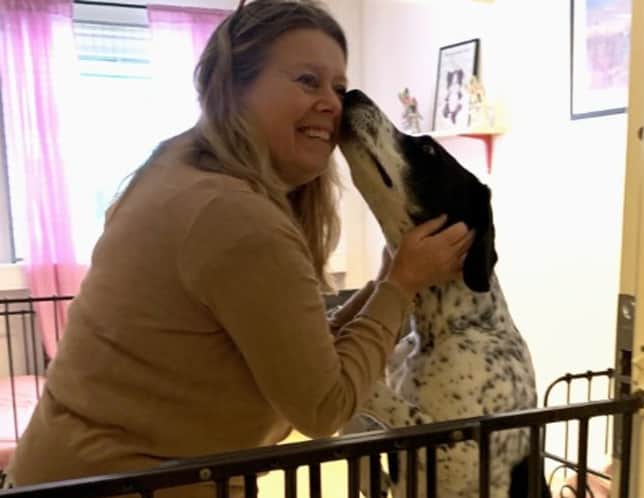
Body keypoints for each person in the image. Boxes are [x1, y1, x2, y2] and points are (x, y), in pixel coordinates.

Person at [6, 0, 474, 496]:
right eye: (307, 81)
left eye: (338, 88)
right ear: (235, 87)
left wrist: (387, 283)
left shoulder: (179, 165)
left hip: (63, 475)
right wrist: (400, 286)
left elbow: (298, 355)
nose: (332, 104)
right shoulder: (236, 217)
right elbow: (324, 406)